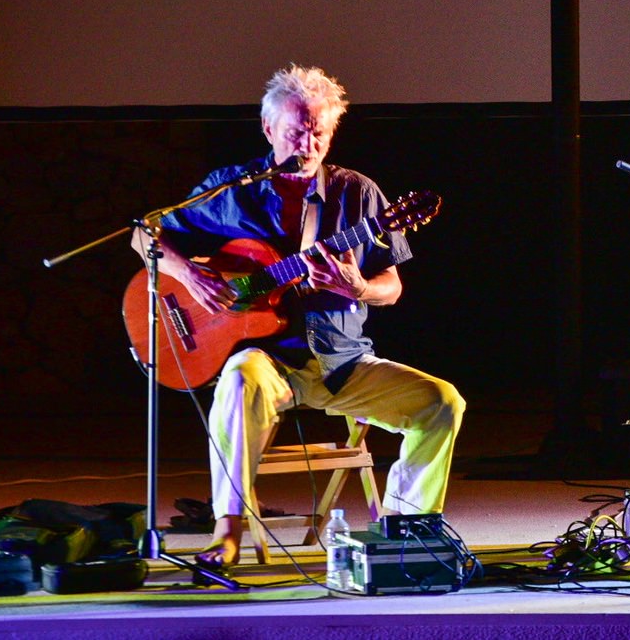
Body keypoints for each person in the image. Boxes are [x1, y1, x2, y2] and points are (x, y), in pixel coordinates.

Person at [132, 63, 465, 572]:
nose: (307, 145)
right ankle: (228, 534)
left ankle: (406, 530)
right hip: (270, 362)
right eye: (295, 132)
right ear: (269, 130)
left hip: (343, 363)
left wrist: (358, 287)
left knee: (442, 402)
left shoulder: (359, 194)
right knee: (240, 380)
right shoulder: (231, 189)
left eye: (318, 134)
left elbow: (391, 288)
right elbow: (145, 234)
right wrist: (191, 276)